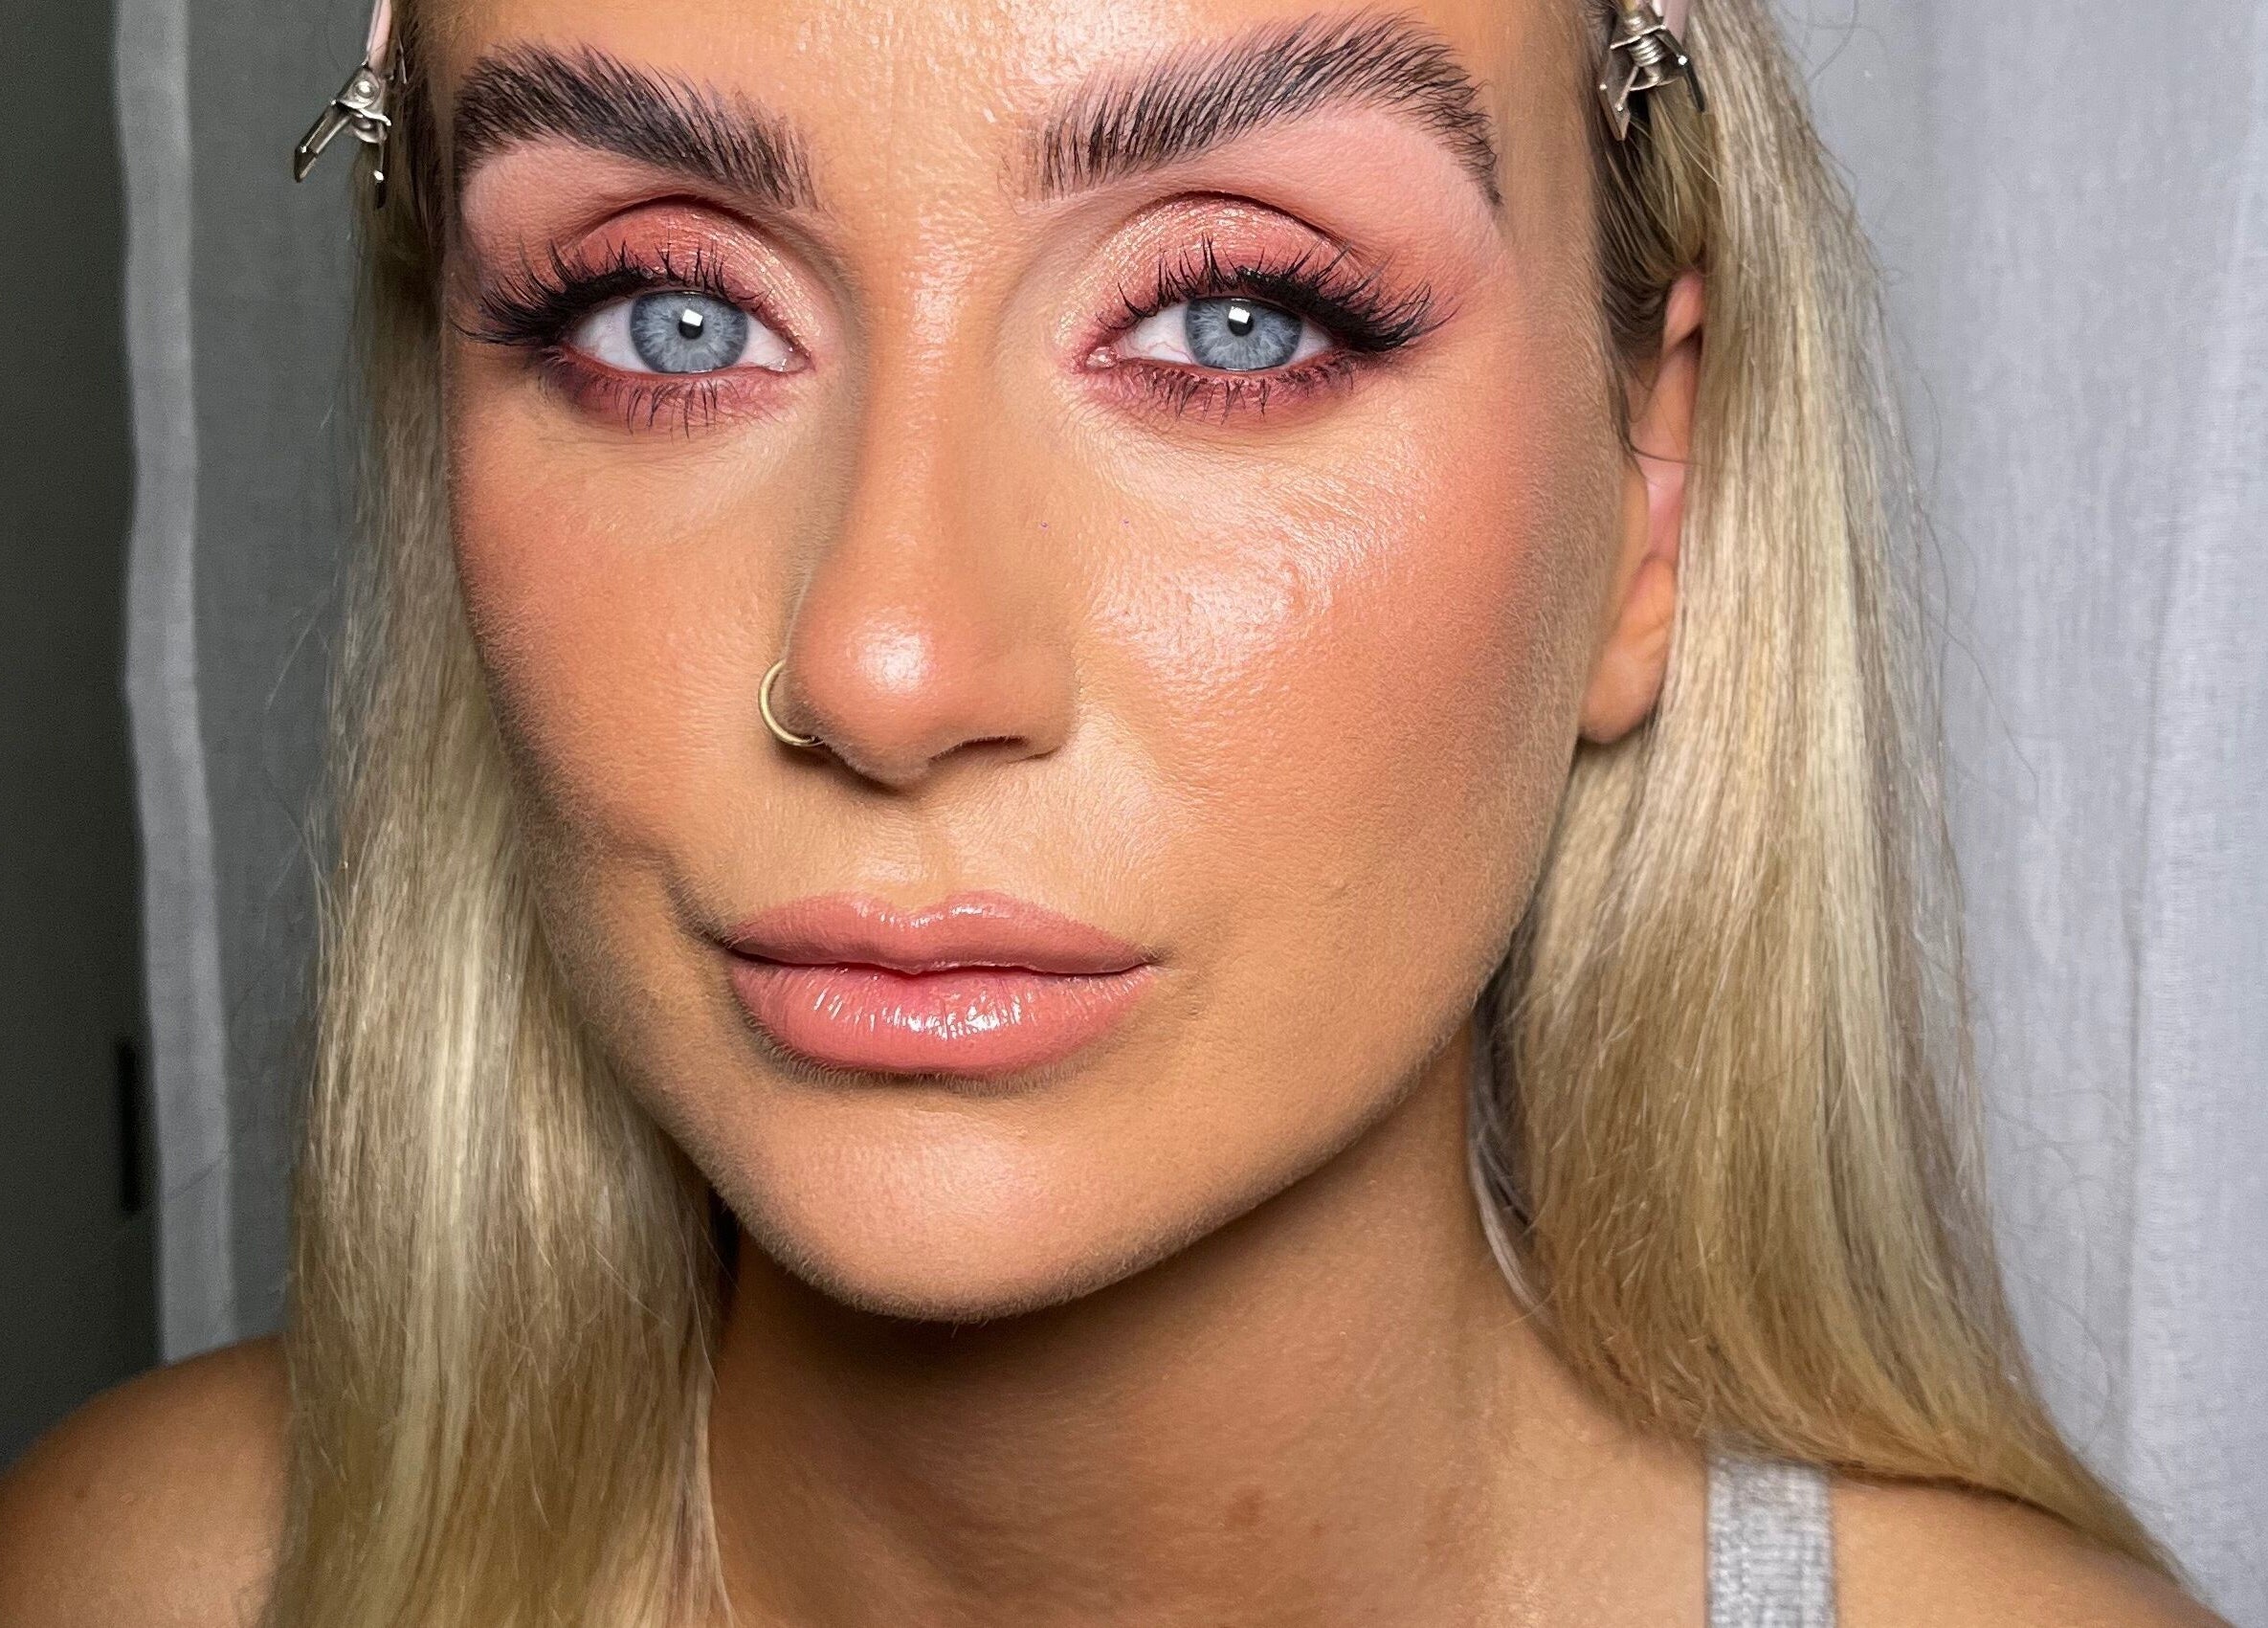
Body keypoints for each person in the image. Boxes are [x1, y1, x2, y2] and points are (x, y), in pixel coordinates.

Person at [0, 1, 2231, 1624]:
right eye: (671, 317)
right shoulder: (143, 1576)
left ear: (1651, 493)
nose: (886, 663)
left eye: (1238, 318)